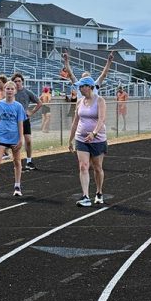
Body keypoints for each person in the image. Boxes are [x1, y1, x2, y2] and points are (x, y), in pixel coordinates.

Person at [68, 77, 108, 207]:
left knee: (97, 168)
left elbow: (101, 119)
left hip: (98, 139)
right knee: (83, 166)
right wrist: (70, 139)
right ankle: (85, 196)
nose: (80, 89)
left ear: (89, 87)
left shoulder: (100, 101)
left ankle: (99, 192)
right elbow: (75, 121)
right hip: (81, 138)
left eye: (82, 86)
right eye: (79, 87)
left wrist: (94, 133)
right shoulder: (79, 102)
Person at [11, 73, 43, 171]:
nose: (17, 83)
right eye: (15, 81)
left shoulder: (27, 92)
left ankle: (29, 161)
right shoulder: (11, 92)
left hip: (25, 120)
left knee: (28, 141)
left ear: (22, 82)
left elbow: (39, 103)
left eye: (19, 81)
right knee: (15, 143)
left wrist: (31, 112)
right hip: (13, 121)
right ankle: (17, 163)